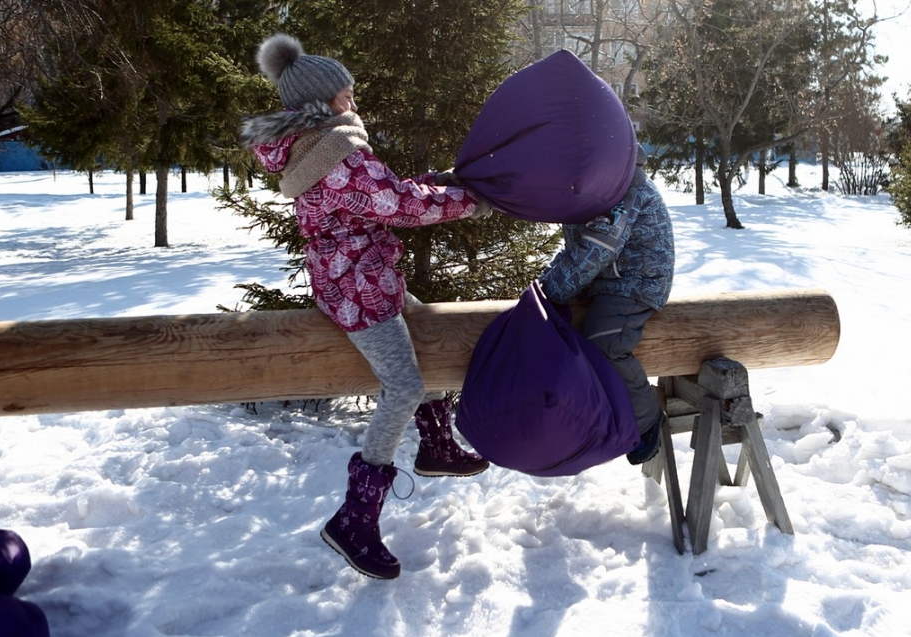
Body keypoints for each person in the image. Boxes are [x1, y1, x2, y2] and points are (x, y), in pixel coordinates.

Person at [239, 33, 490, 580]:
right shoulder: (336, 153)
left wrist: (438, 183)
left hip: (360, 274)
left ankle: (437, 444)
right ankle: (354, 518)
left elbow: (378, 198)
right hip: (359, 287)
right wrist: (471, 199)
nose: (354, 102)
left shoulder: (314, 147)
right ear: (325, 102)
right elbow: (397, 205)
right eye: (347, 95)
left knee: (427, 330)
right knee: (401, 385)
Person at [538, 146, 674, 465]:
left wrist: (554, 288)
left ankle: (647, 418)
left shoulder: (626, 192)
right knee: (566, 328)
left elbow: (597, 250)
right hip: (608, 279)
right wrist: (546, 284)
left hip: (637, 282)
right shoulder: (595, 189)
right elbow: (578, 249)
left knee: (605, 340)